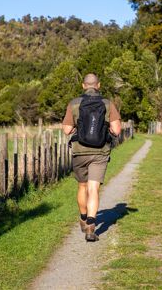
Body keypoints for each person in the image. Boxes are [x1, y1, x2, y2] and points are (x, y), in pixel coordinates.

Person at [62, 73, 121, 242]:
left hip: (80, 151)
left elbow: (66, 130)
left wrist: (76, 129)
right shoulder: (107, 104)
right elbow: (116, 130)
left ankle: (83, 217)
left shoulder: (74, 104)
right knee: (93, 188)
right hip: (100, 151)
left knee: (82, 186)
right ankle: (91, 226)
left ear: (83, 85)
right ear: (98, 85)